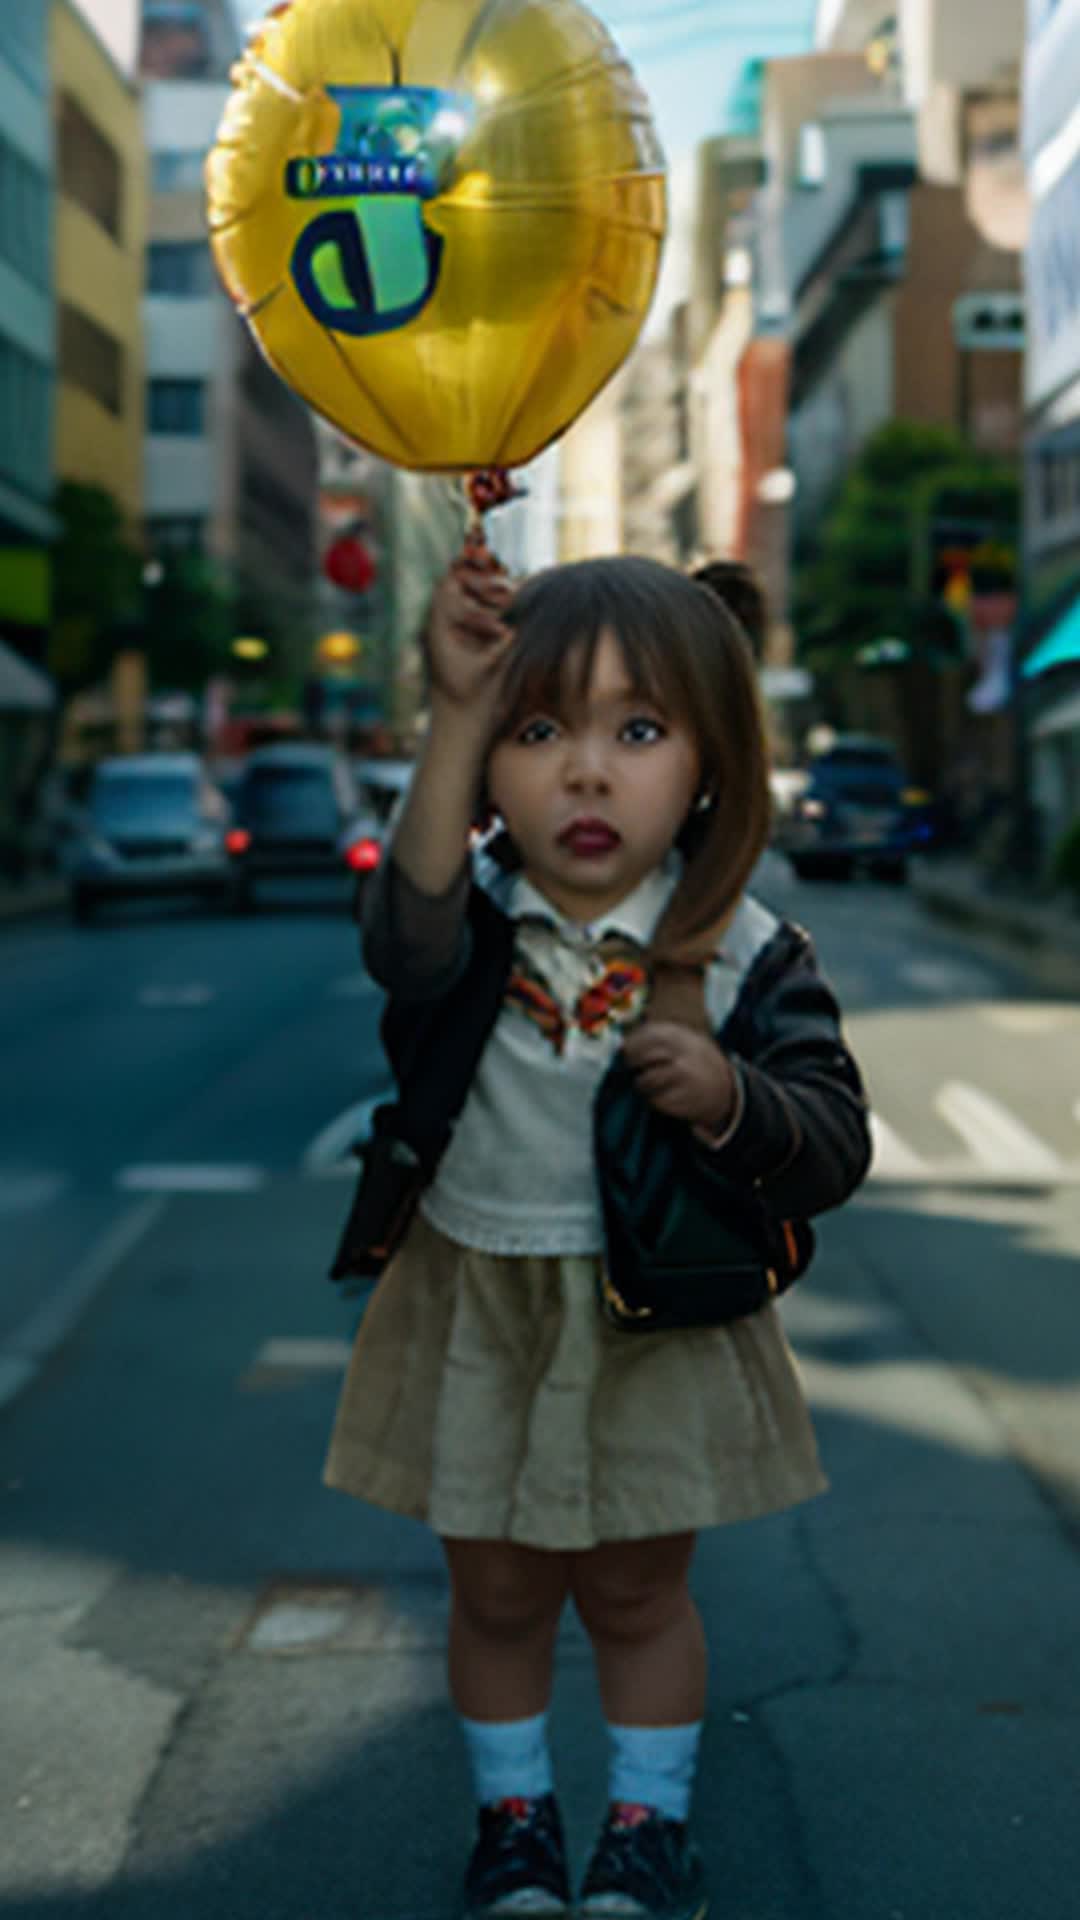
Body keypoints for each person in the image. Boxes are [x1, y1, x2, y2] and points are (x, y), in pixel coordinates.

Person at [324, 544, 872, 1920]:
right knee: (499, 1597)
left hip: (657, 1314)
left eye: (638, 731)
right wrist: (453, 706)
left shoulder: (744, 949)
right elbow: (405, 939)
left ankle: (647, 1831)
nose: (584, 772)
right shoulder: (473, 925)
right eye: (537, 728)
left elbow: (833, 1140)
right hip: (482, 1296)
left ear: (707, 760)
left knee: (636, 1596)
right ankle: (514, 1826)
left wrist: (735, 1095)